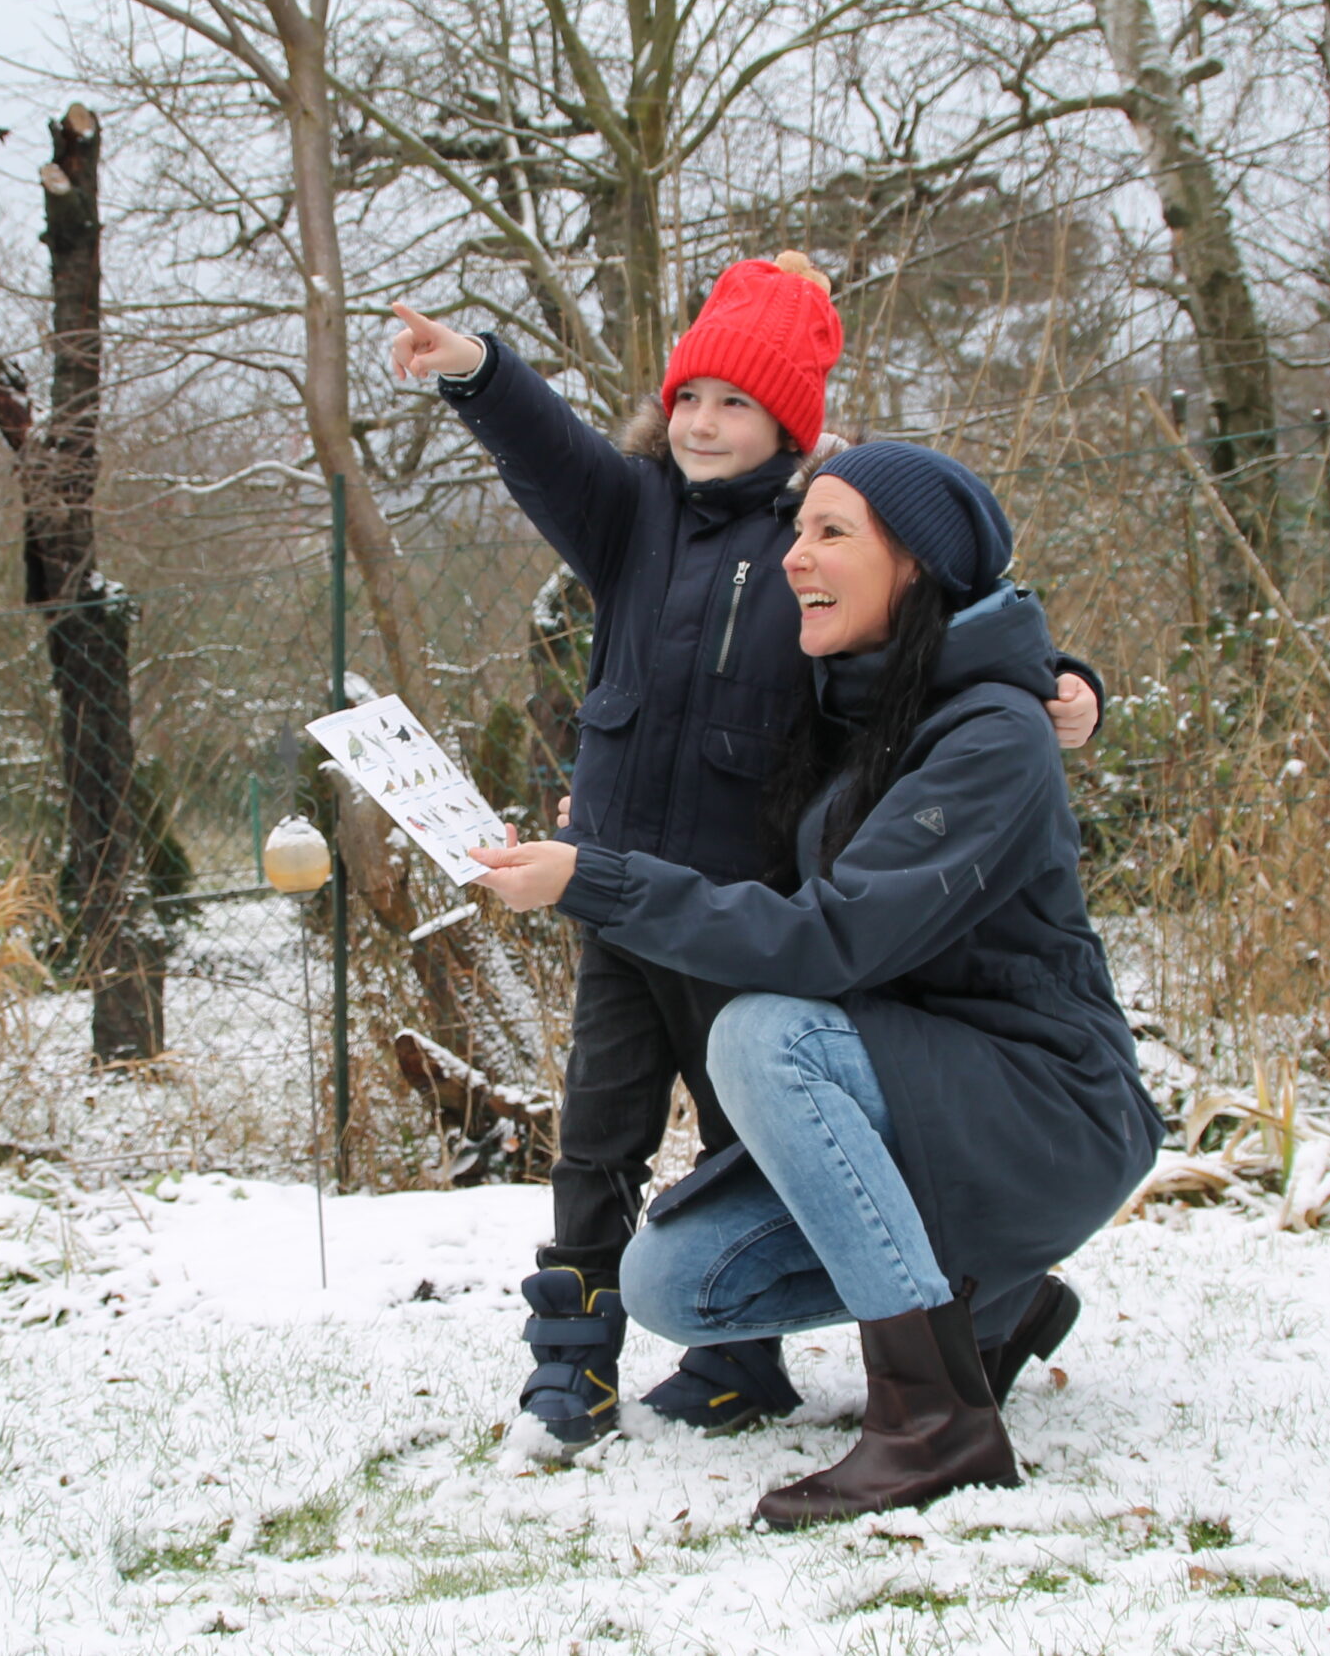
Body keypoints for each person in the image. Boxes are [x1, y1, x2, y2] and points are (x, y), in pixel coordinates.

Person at [392, 259, 1106, 1446]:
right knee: (598, 1133)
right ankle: (569, 1365)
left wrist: (1068, 682)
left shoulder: (818, 536)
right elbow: (548, 450)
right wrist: (474, 370)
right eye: (687, 398)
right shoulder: (632, 517)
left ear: (789, 421)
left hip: (751, 905)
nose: (703, 422)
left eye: (735, 402)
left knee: (746, 1131)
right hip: (615, 892)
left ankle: (740, 1361)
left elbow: (947, 624)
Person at [469, 442, 1163, 1526]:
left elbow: (831, 941)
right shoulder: (849, 702)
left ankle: (935, 1423)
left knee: (762, 1035)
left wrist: (598, 883)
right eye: (797, 531)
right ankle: (996, 1306)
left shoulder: (990, 735)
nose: (795, 556)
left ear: (917, 568)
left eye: (830, 533)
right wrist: (589, 841)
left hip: (1046, 1113)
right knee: (675, 1286)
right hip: (917, 1102)